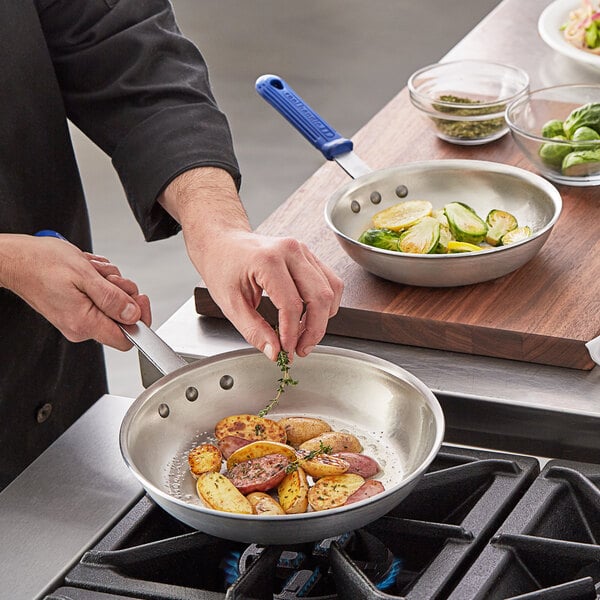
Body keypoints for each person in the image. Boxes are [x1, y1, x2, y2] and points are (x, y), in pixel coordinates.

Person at [0, 0, 343, 491]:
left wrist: (217, 225)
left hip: (51, 376)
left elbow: (123, 46)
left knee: (60, 519)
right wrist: (8, 262)